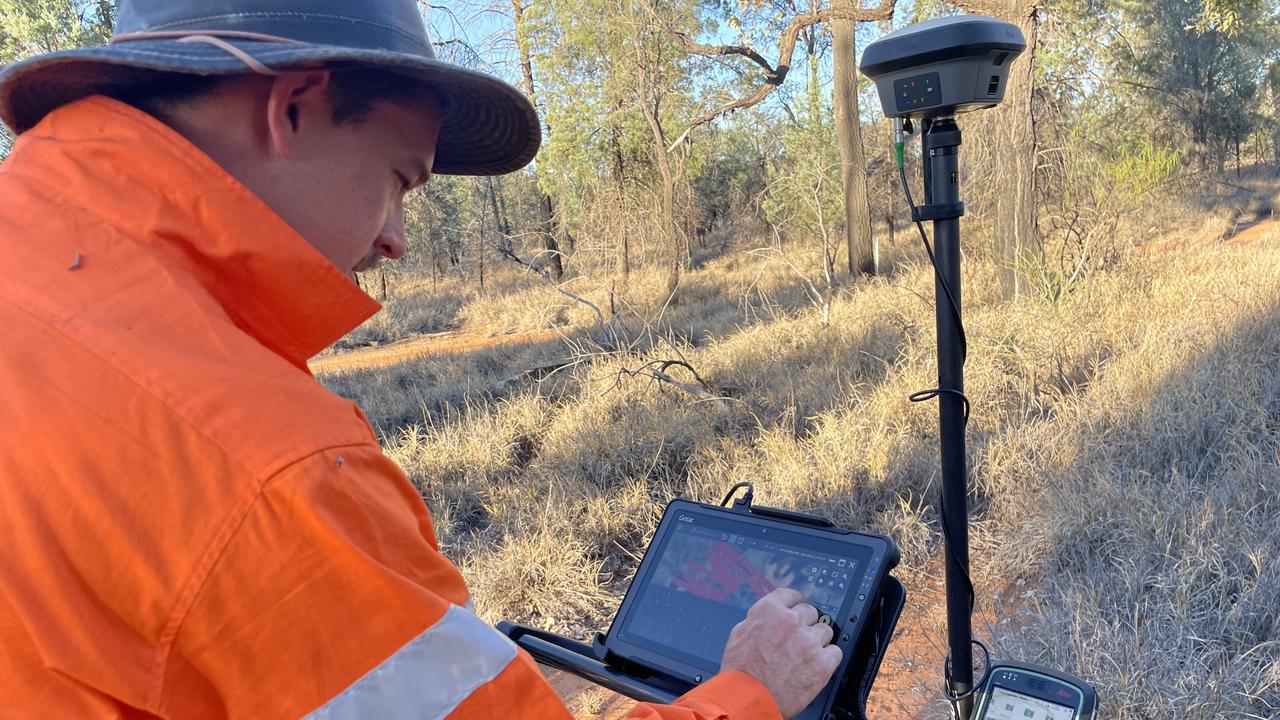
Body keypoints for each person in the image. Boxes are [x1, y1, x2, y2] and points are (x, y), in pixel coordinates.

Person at [0, 2, 842, 717]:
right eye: (402, 180)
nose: (396, 240)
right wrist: (752, 690)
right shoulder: (256, 459)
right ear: (290, 107)